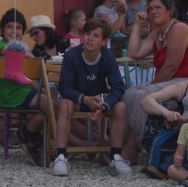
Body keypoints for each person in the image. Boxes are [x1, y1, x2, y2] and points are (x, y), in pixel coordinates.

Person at [121, 0, 188, 160]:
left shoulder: (179, 28)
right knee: (129, 94)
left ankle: (138, 148)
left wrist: (150, 86)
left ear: (170, 11)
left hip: (186, 82)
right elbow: (135, 52)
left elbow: (171, 67)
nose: (152, 11)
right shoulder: (158, 33)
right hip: (168, 82)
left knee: (142, 94)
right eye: (149, 9)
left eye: (158, 8)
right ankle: (123, 144)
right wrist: (136, 25)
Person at [51, 18, 131, 177]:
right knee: (65, 105)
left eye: (95, 35)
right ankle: (61, 156)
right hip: (76, 98)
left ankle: (115, 156)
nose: (90, 38)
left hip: (99, 99)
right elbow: (64, 87)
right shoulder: (72, 55)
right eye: (87, 34)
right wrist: (83, 98)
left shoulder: (107, 56)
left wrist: (105, 105)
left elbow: (118, 87)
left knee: (120, 107)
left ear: (104, 41)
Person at [0, 9, 47, 163]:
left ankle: (35, 143)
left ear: (23, 32)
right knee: (50, 107)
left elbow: (27, 78)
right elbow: (6, 50)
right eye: (9, 27)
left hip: (23, 91)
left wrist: (42, 89)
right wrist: (28, 54)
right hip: (9, 95)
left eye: (19, 28)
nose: (14, 31)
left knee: (55, 103)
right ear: (1, 30)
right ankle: (25, 134)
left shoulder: (24, 50)